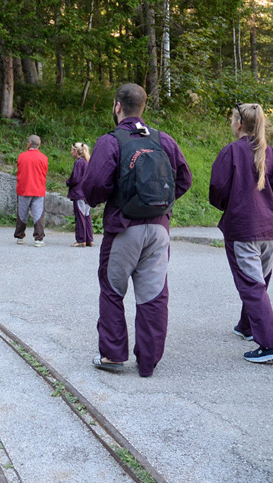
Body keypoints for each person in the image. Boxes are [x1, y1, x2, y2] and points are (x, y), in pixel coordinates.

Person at [82, 83, 192, 377]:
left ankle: (113, 356)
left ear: (118, 106)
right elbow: (185, 179)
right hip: (159, 230)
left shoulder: (110, 141)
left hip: (123, 228)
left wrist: (112, 200)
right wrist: (159, 205)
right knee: (154, 295)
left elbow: (94, 188)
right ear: (143, 107)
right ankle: (148, 362)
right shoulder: (163, 139)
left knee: (112, 290)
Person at [209, 103, 273, 363]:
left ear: (239, 124)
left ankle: (271, 344)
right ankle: (247, 326)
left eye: (233, 120)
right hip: (271, 229)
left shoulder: (231, 152)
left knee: (252, 284)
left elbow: (218, 190)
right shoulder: (270, 152)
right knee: (259, 281)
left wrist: (231, 207)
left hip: (244, 228)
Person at [14, 135, 49, 247]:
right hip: (38, 189)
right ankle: (38, 239)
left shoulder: (21, 156)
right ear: (39, 144)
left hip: (24, 188)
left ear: (29, 143)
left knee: (22, 214)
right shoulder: (44, 158)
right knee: (38, 214)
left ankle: (19, 236)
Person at [66, 142, 94, 248]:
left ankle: (81, 239)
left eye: (72, 150)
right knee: (86, 215)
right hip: (87, 194)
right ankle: (89, 238)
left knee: (80, 216)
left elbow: (75, 179)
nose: (71, 152)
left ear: (76, 151)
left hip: (79, 193)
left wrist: (68, 182)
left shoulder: (79, 163)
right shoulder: (88, 162)